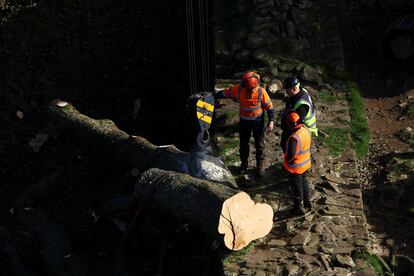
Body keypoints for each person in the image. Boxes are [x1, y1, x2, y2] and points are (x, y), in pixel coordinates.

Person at [215, 71, 274, 177]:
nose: (248, 91)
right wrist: (213, 95)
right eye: (247, 88)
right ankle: (244, 165)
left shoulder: (261, 92)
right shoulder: (238, 89)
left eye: (250, 89)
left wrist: (271, 121)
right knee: (243, 144)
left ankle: (260, 166)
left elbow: (270, 107)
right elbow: (225, 93)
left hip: (258, 121)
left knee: (260, 144)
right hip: (244, 122)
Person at [283, 111, 312, 215]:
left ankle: (298, 207)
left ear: (289, 124)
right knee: (304, 182)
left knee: (297, 186)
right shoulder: (306, 131)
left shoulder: (294, 138)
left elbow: (291, 154)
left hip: (296, 167)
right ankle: (308, 201)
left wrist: (287, 161)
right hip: (306, 163)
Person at [280, 76, 318, 153]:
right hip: (301, 127)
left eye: (287, 90)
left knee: (292, 149)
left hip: (304, 129)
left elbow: (296, 122)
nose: (286, 92)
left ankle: (290, 162)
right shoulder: (301, 91)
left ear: (294, 89)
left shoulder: (302, 104)